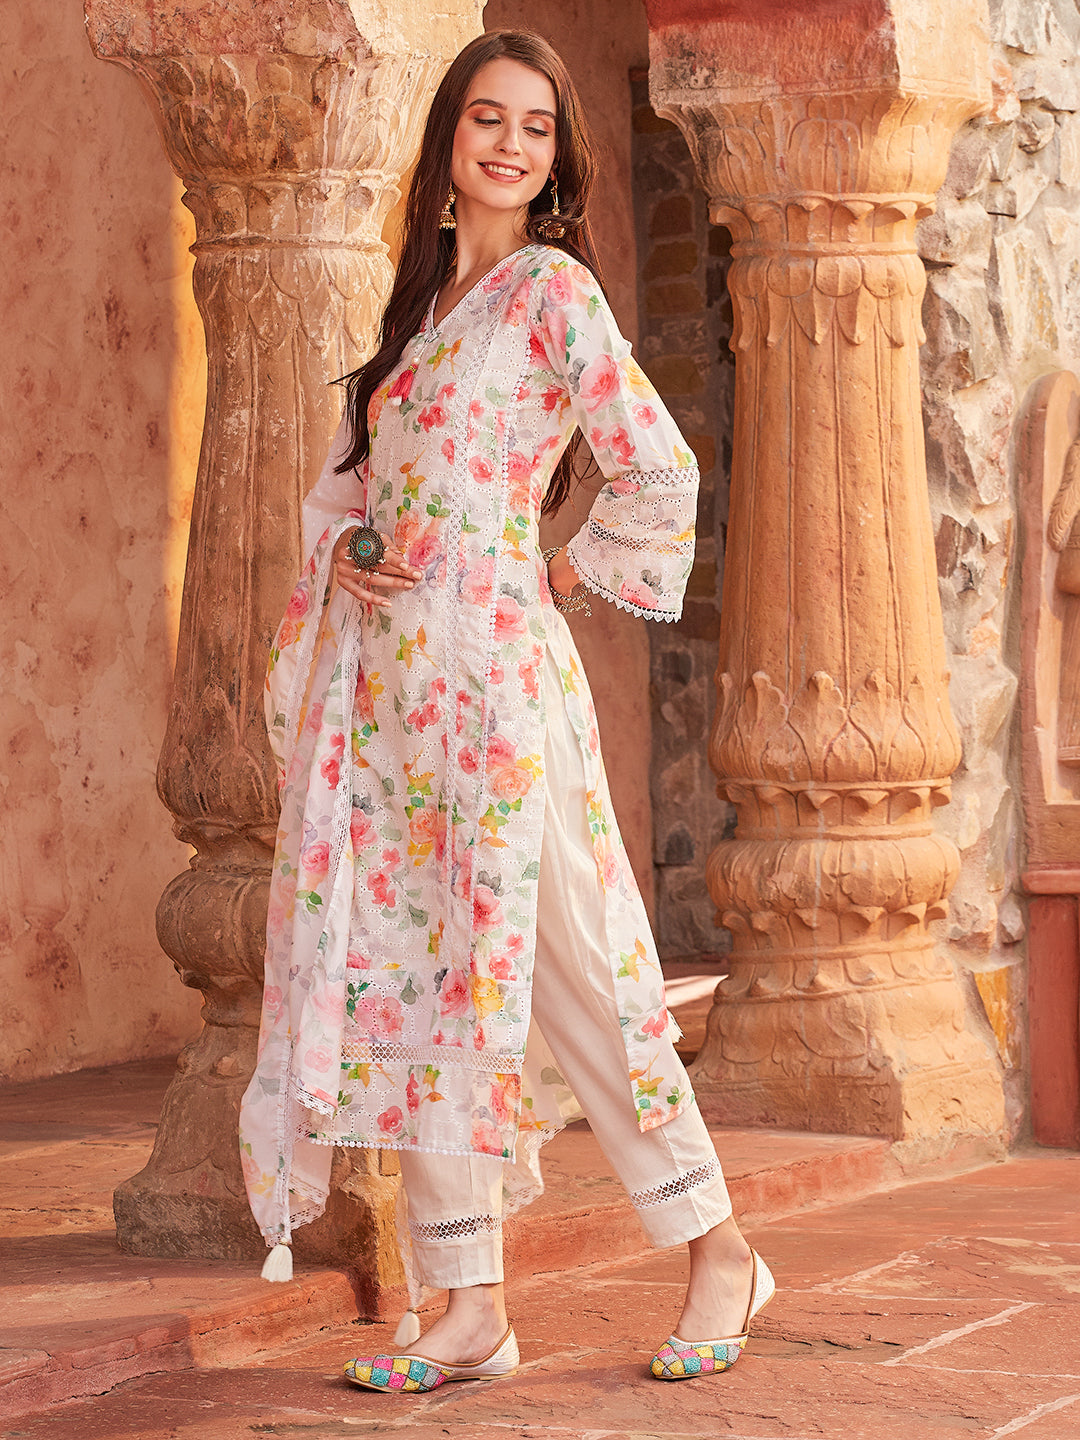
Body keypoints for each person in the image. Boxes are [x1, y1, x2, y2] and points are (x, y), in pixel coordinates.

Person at [239, 27, 773, 1394]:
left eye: (537, 128)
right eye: (489, 118)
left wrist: (557, 572)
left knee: (582, 971)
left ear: (557, 162)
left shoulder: (551, 291)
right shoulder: (417, 316)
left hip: (496, 691)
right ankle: (467, 1303)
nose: (511, 144)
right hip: (393, 709)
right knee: (427, 982)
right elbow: (344, 499)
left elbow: (657, 468)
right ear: (450, 139)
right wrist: (349, 556)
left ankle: (718, 1247)